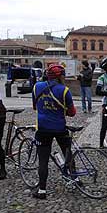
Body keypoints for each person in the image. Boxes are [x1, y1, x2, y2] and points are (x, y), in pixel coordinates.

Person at [32, 64, 76, 199]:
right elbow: (72, 112)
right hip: (60, 128)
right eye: (63, 75)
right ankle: (75, 179)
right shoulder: (64, 90)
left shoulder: (37, 87)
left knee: (43, 160)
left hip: (43, 128)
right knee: (68, 153)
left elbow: (35, 107)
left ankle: (42, 191)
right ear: (59, 77)